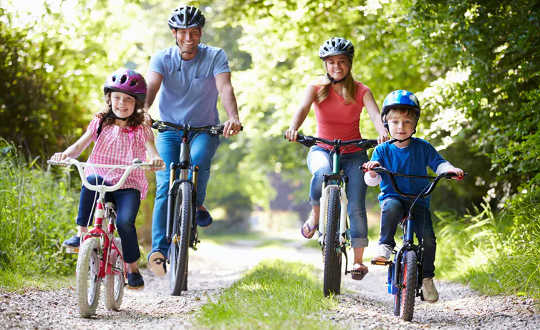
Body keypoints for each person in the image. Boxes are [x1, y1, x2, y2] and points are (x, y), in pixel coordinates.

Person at [144, 5, 242, 276]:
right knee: (165, 183)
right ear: (174, 33)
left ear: (201, 34)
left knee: (198, 162)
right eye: (183, 32)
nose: (189, 38)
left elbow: (225, 87)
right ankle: (159, 251)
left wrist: (232, 117)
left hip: (204, 128)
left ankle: (195, 203)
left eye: (194, 32)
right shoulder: (162, 58)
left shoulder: (215, 56)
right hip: (169, 128)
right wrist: (143, 110)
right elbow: (151, 86)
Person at [285, 37, 388, 280]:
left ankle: (358, 261)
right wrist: (293, 128)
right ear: (325, 65)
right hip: (322, 149)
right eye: (331, 62)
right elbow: (301, 110)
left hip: (354, 154)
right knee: (321, 172)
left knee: (356, 205)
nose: (336, 67)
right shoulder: (317, 88)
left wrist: (383, 131)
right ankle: (316, 214)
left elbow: (375, 115)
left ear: (349, 64)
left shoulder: (362, 90)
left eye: (341, 62)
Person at [50, 68, 164, 289]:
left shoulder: (141, 128)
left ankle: (132, 269)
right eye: (117, 98)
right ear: (109, 99)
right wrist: (65, 154)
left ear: (137, 103)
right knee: (90, 180)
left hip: (128, 183)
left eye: (128, 100)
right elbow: (80, 145)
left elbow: (152, 150)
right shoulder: (101, 122)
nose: (122, 103)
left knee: (124, 223)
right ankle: (82, 234)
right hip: (102, 176)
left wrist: (156, 160)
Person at [363, 89, 464, 302]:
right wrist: (373, 170)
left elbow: (439, 163)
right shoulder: (382, 150)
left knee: (428, 239)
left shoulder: (423, 147)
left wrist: (450, 170)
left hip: (419, 199)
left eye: (407, 122)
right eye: (396, 122)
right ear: (386, 123)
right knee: (390, 207)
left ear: (415, 124)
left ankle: (427, 278)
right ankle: (385, 245)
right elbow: (372, 180)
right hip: (394, 196)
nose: (401, 127)